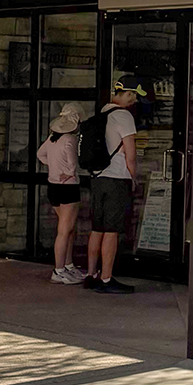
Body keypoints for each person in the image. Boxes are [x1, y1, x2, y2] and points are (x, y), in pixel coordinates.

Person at [84, 82, 142, 294]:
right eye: (132, 95)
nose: (133, 100)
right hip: (117, 178)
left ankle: (91, 274)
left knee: (97, 228)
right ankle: (107, 278)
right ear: (123, 93)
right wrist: (133, 177)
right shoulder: (124, 116)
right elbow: (131, 152)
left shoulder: (103, 113)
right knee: (112, 230)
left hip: (98, 177)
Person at [36, 105, 86, 285]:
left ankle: (68, 265)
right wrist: (69, 172)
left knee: (69, 230)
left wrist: (54, 167)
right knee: (65, 231)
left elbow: (40, 155)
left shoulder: (52, 139)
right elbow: (73, 164)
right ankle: (58, 270)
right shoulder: (69, 140)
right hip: (68, 187)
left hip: (53, 186)